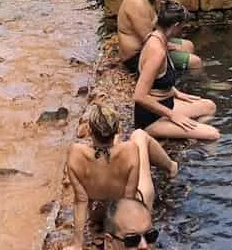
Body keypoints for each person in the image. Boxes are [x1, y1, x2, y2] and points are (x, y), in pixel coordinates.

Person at [65, 103, 177, 250]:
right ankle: (171, 166)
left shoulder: (76, 153)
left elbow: (81, 201)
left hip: (99, 213)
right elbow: (128, 198)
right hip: (126, 215)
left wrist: (77, 243)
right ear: (117, 129)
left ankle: (170, 166)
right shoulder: (129, 150)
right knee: (139, 135)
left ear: (89, 130)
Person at [133, 2, 220, 142]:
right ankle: (197, 150)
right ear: (175, 26)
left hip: (167, 103)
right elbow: (139, 96)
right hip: (151, 118)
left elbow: (158, 79)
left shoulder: (158, 38)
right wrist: (173, 115)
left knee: (210, 106)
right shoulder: (157, 52)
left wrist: (175, 91)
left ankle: (191, 137)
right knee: (213, 135)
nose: (183, 30)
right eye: (182, 27)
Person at [117, 0, 201, 73]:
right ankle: (181, 83)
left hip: (149, 43)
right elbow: (149, 40)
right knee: (196, 62)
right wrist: (172, 46)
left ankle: (175, 74)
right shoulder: (137, 3)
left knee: (189, 45)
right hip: (136, 55)